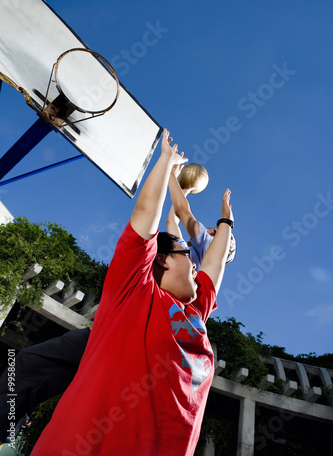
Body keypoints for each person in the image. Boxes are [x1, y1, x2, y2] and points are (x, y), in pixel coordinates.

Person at [17, 130, 235, 455]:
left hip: (143, 327)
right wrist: (168, 168)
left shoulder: (199, 272)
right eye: (185, 256)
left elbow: (193, 233)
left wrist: (221, 220)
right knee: (28, 366)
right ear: (162, 259)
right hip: (129, 319)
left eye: (219, 238)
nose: (194, 258)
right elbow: (159, 220)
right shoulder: (144, 283)